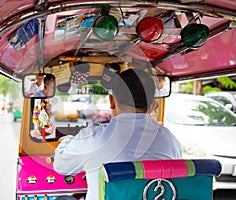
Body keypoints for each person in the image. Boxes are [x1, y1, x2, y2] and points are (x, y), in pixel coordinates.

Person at [53, 68, 182, 200]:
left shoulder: (93, 137)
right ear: (152, 105)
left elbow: (61, 167)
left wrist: (65, 141)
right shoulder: (169, 140)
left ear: (111, 101)